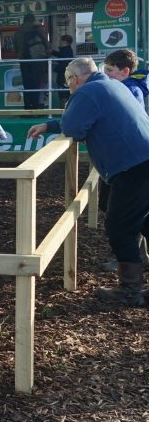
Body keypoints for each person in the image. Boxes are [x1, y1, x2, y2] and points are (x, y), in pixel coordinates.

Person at [28, 58, 149, 306]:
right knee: (142, 223)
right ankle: (132, 288)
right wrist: (50, 124)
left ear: (75, 79)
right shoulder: (110, 85)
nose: (68, 86)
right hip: (141, 160)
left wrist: (64, 113)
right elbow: (82, 120)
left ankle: (130, 292)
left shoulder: (87, 92)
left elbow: (73, 127)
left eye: (67, 81)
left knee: (120, 227)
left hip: (134, 167)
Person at [15, 13, 50, 109]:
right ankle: (35, 107)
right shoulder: (38, 29)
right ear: (33, 20)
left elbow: (15, 48)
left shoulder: (18, 32)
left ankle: (27, 107)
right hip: (37, 61)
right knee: (36, 85)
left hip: (24, 61)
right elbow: (46, 45)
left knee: (27, 85)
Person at [51, 35, 75, 105]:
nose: (59, 42)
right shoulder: (67, 50)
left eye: (60, 40)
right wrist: (53, 52)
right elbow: (61, 56)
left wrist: (55, 69)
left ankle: (64, 109)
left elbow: (64, 62)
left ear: (64, 41)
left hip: (63, 76)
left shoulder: (65, 50)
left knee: (63, 92)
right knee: (65, 91)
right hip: (66, 75)